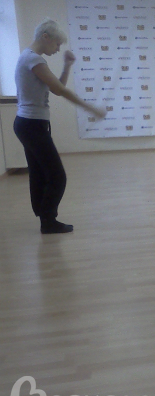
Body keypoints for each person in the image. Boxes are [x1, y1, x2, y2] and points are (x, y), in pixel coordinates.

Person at [13, 19, 106, 234]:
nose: (57, 49)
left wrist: (67, 66)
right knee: (57, 175)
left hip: (30, 124)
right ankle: (48, 221)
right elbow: (60, 91)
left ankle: (44, 217)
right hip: (31, 125)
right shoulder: (33, 59)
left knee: (40, 172)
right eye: (57, 44)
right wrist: (90, 108)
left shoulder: (30, 57)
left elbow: (57, 87)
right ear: (45, 37)